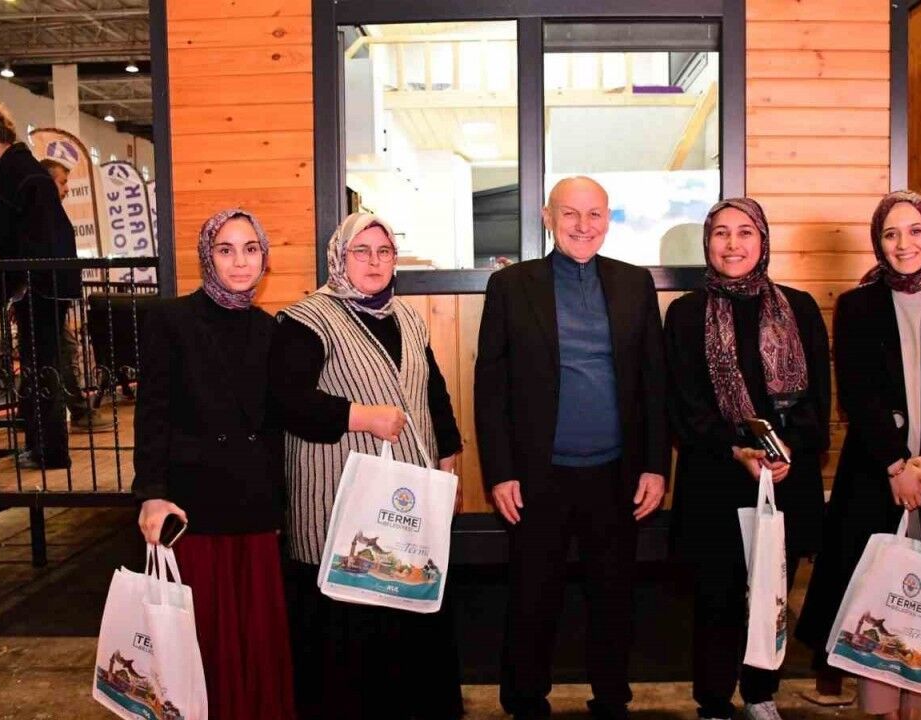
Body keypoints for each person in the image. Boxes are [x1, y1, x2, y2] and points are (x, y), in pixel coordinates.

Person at [794, 191, 921, 719]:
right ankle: (881, 710)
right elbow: (858, 394)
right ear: (878, 242)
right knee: (875, 600)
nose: (904, 244)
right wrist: (896, 465)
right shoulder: (857, 306)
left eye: (914, 231)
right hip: (876, 478)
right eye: (891, 234)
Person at [475, 176, 669, 720]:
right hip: (537, 477)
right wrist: (500, 471)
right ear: (547, 217)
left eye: (594, 214)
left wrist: (656, 466)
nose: (583, 226)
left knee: (614, 596)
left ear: (608, 219)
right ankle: (524, 700)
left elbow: (654, 382)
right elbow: (491, 386)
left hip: (617, 475)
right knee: (532, 596)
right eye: (570, 214)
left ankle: (611, 697)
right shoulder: (511, 286)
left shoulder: (634, 283)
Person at [270, 212, 463, 720]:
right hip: (335, 497)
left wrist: (448, 458)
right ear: (339, 257)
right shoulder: (306, 320)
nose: (374, 262)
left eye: (384, 252)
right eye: (362, 251)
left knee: (407, 603)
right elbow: (286, 401)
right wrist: (360, 417)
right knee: (347, 627)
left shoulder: (408, 318)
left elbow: (433, 392)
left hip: (406, 502)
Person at [664, 198, 831, 720]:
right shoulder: (685, 313)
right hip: (715, 473)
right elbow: (683, 403)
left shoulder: (799, 307)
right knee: (716, 596)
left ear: (763, 240)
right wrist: (733, 448)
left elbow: (818, 399)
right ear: (707, 243)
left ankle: (760, 692)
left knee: (772, 594)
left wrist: (789, 450)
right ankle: (713, 700)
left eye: (744, 232)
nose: (732, 244)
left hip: (785, 478)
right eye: (721, 233)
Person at [132, 208, 296, 720]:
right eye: (226, 250)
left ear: (264, 258)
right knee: (201, 639)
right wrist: (151, 493)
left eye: (251, 249)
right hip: (193, 509)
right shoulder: (170, 320)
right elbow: (152, 414)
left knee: (255, 638)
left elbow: (278, 424)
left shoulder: (271, 329)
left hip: (253, 506)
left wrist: (280, 505)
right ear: (208, 256)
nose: (240, 261)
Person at [0, 101, 81, 469]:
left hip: (40, 283)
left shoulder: (9, 170)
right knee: (44, 364)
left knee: (40, 366)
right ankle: (45, 448)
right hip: (51, 281)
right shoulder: (25, 168)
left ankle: (49, 452)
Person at [39, 157, 107, 433]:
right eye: (62, 182)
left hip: (53, 296)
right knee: (63, 352)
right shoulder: (44, 215)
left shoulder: (50, 214)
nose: (66, 188)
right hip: (48, 296)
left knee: (52, 353)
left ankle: (32, 412)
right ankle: (79, 411)